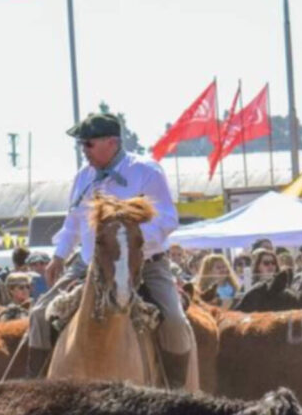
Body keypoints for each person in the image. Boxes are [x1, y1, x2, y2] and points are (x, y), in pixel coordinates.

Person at [27, 112, 195, 385]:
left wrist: (127, 242)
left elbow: (167, 219)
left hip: (146, 264)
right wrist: (59, 256)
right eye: (82, 145)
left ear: (112, 142)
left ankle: (175, 395)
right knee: (38, 315)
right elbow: (73, 222)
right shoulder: (83, 176)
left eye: (88, 144)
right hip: (89, 265)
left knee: (175, 322)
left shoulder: (146, 171)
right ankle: (35, 388)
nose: (84, 150)